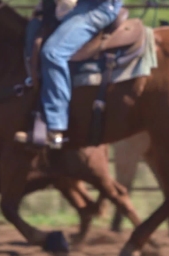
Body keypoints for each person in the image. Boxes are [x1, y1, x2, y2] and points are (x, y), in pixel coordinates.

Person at [20, 0, 123, 149]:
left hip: (96, 8)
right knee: (33, 29)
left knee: (53, 53)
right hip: (78, 6)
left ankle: (55, 126)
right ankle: (33, 111)